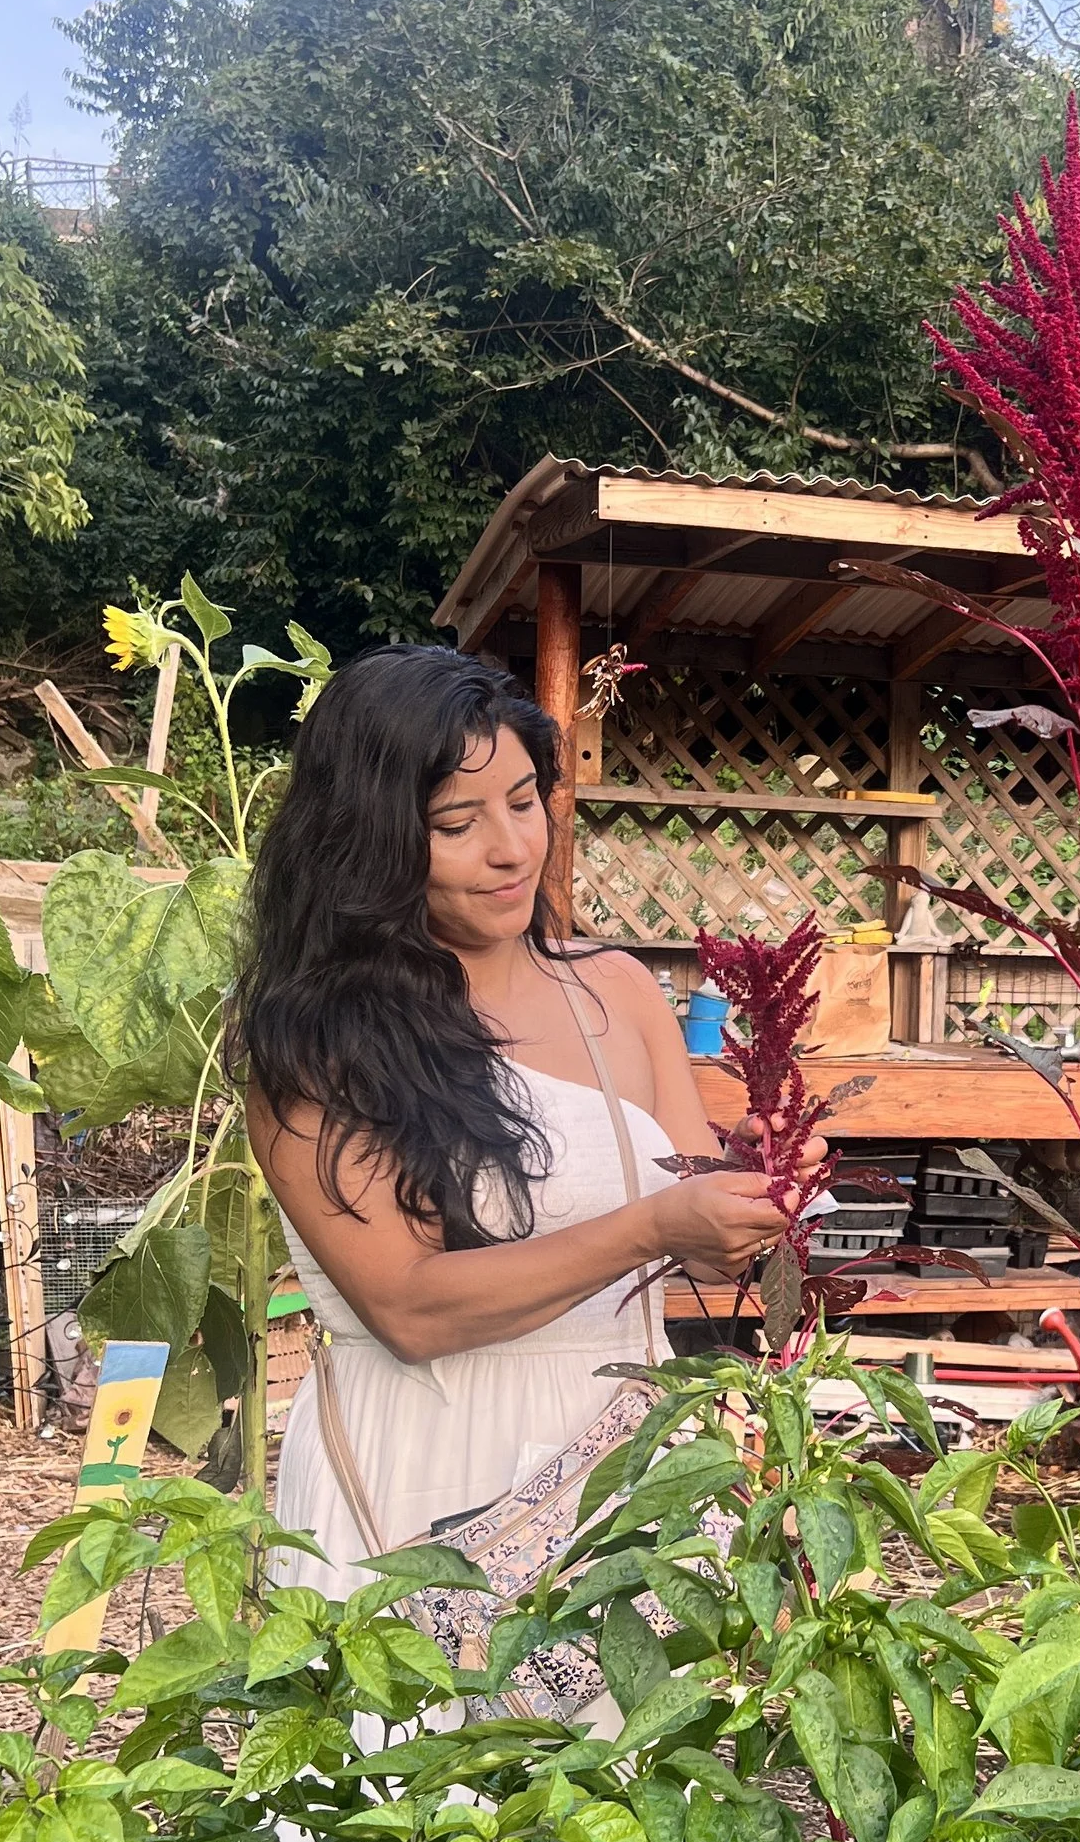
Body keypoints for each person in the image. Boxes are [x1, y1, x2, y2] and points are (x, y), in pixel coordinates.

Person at [235, 644, 798, 1601]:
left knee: (621, 1740)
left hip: (618, 1453)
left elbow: (703, 1251)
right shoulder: (318, 1044)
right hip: (421, 1463)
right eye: (457, 821)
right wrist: (654, 1227)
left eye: (526, 800)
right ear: (366, 843)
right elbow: (409, 1309)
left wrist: (758, 1194)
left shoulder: (616, 991)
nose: (511, 848)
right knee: (419, 1742)